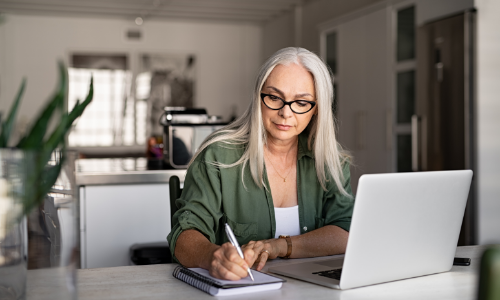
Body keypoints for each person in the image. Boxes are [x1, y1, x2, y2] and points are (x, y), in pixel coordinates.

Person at [167, 47, 354, 281]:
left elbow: (345, 232)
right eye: (274, 97)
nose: (286, 113)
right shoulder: (217, 155)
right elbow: (183, 236)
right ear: (258, 97)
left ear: (316, 109)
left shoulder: (330, 159)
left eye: (301, 102)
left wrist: (280, 246)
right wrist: (211, 256)